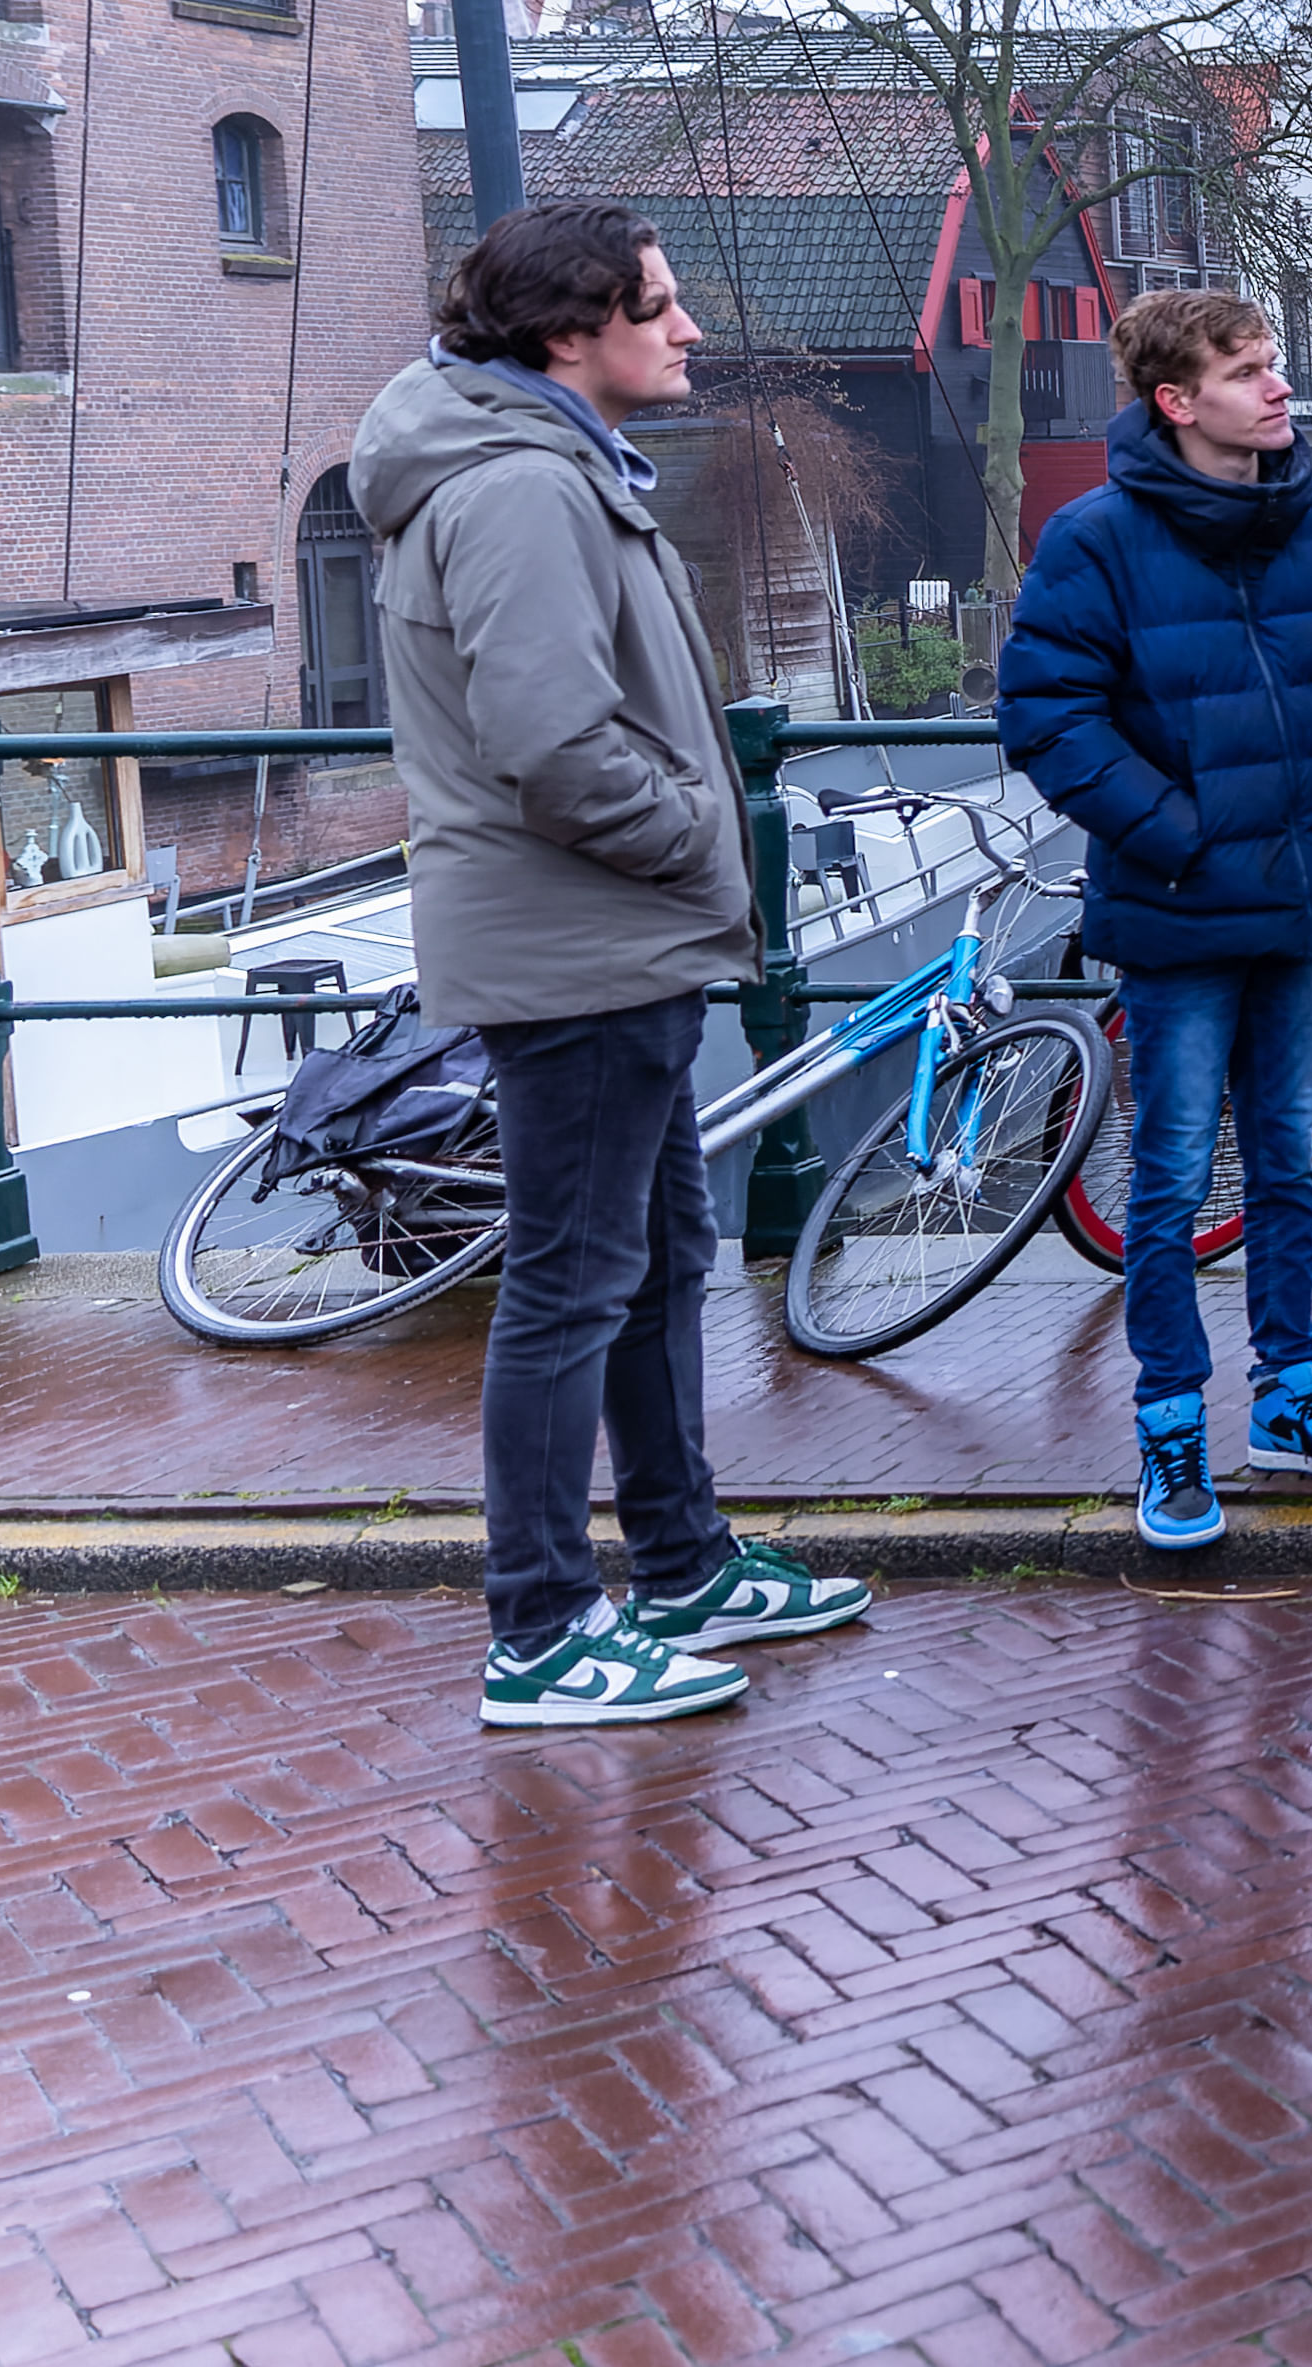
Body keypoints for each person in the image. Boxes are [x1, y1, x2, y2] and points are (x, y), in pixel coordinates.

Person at [355, 200, 868, 1730]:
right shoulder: (521, 488)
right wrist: (701, 845)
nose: (689, 328)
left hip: (602, 938)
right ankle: (539, 1629)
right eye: (658, 306)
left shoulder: (547, 467)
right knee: (573, 1283)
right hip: (575, 943)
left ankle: (682, 1560)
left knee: (654, 1261)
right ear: (569, 335)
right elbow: (554, 746)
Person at [996, 289, 1312, 1550]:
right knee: (1170, 1184)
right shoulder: (1095, 540)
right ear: (1178, 402)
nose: (1278, 388)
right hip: (1176, 915)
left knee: (1286, 1166)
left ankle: (1291, 1399)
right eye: (1248, 371)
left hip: (1296, 905)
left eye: (1274, 364)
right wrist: (1177, 833)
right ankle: (1170, 1427)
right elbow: (1046, 717)